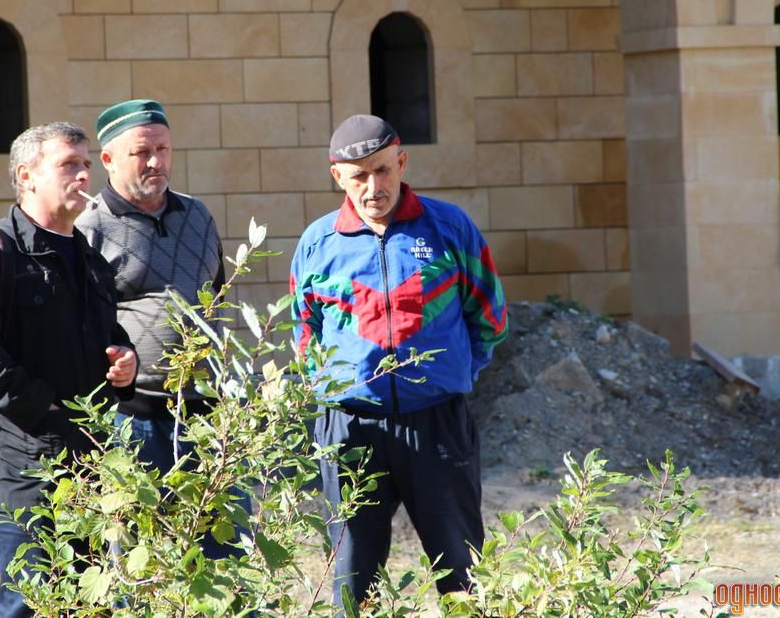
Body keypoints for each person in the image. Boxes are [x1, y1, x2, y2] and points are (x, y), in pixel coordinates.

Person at [289, 114, 509, 607]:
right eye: (359, 175)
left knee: (462, 572)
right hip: (349, 431)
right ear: (337, 176)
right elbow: (304, 334)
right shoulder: (317, 245)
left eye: (383, 170)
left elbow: (490, 316)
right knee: (350, 578)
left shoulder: (450, 228)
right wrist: (331, 390)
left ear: (402, 162)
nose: (373, 186)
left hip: (436, 425)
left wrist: (453, 374)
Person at [0, 121, 139, 618]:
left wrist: (124, 359)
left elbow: (102, 334)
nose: (84, 176)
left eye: (86, 164)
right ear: (27, 176)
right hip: (22, 467)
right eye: (69, 164)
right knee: (31, 605)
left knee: (91, 605)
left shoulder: (91, 259)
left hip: (90, 466)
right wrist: (37, 398)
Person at [74, 99, 236, 557]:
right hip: (134, 419)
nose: (156, 162)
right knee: (140, 562)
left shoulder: (198, 215)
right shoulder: (88, 229)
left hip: (205, 417)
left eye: (163, 150)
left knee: (220, 560)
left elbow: (217, 295)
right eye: (141, 152)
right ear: (107, 160)